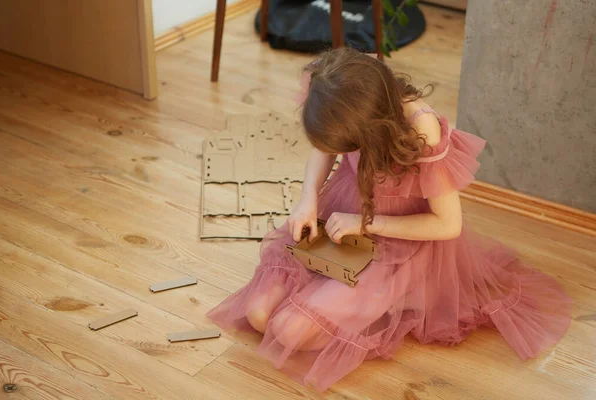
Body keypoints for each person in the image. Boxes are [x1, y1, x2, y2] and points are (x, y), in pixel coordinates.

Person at [207, 47, 572, 391]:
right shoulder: (338, 82)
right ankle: (339, 296)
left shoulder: (421, 128)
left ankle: (393, 297)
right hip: (345, 211)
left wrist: (365, 223)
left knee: (288, 332)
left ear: (369, 129)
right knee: (258, 316)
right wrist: (307, 198)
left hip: (396, 237)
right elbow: (323, 146)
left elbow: (448, 225)